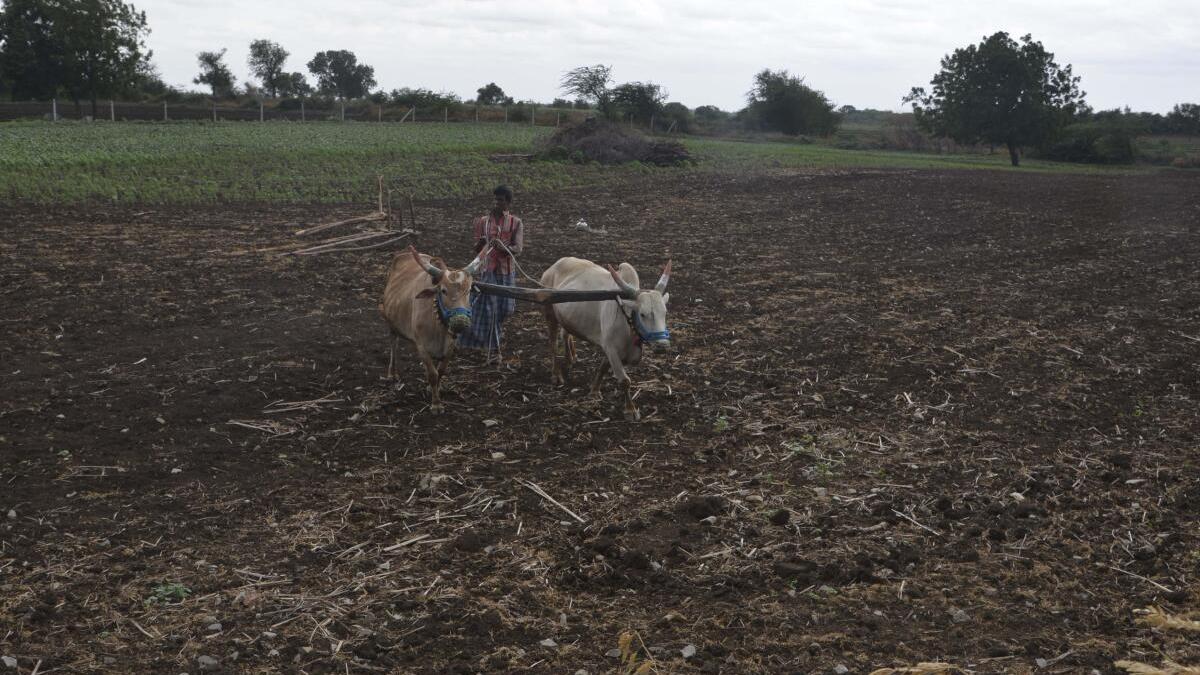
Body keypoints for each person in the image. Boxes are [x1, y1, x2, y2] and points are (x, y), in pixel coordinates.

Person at [458, 185, 525, 361]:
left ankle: (487, 338)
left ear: (508, 203)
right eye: (495, 199)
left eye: (501, 200)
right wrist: (481, 243)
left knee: (507, 309)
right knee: (490, 309)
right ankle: (494, 350)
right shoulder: (482, 222)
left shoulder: (515, 222)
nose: (497, 203)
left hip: (506, 270)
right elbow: (476, 248)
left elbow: (518, 248)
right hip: (487, 269)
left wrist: (504, 247)